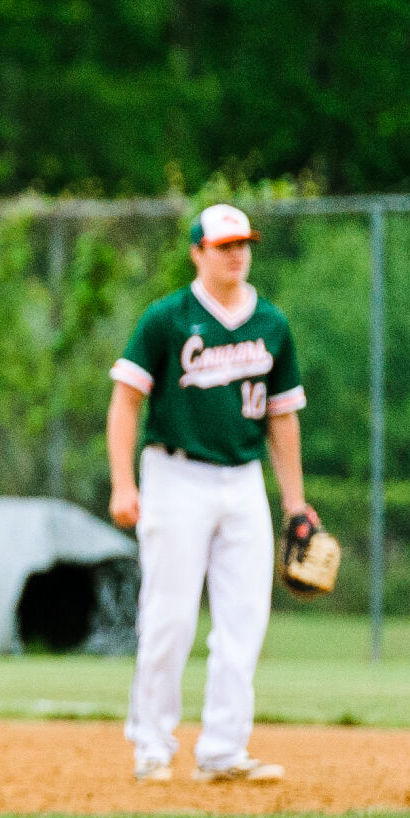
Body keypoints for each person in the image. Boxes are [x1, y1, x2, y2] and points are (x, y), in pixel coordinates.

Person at [106, 204, 311, 784]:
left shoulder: (270, 322)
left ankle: (223, 749)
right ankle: (151, 744)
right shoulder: (168, 318)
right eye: (223, 245)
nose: (236, 253)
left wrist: (294, 504)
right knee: (169, 616)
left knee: (245, 617)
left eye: (243, 243)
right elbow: (126, 399)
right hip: (175, 475)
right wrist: (124, 481)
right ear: (198, 252)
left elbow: (284, 417)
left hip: (243, 478)